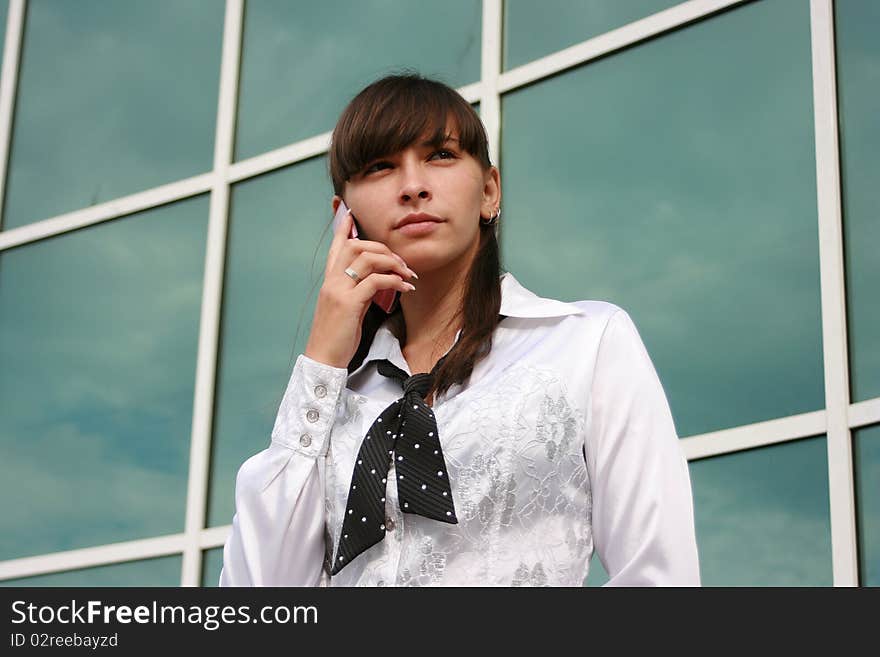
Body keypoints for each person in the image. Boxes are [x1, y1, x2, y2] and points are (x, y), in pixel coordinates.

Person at [219, 73, 700, 587]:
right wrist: (321, 361)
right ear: (346, 219)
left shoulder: (588, 343)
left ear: (490, 190)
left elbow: (658, 576)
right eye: (381, 166)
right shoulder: (329, 402)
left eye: (441, 156)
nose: (413, 186)